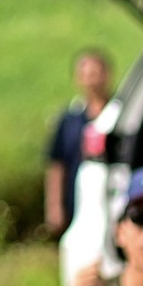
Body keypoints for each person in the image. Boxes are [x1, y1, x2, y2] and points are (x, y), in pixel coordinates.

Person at [44, 49, 112, 238]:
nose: (92, 81)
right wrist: (54, 206)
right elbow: (57, 163)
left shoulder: (119, 114)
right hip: (76, 200)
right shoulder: (69, 119)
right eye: (86, 75)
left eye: (96, 74)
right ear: (78, 79)